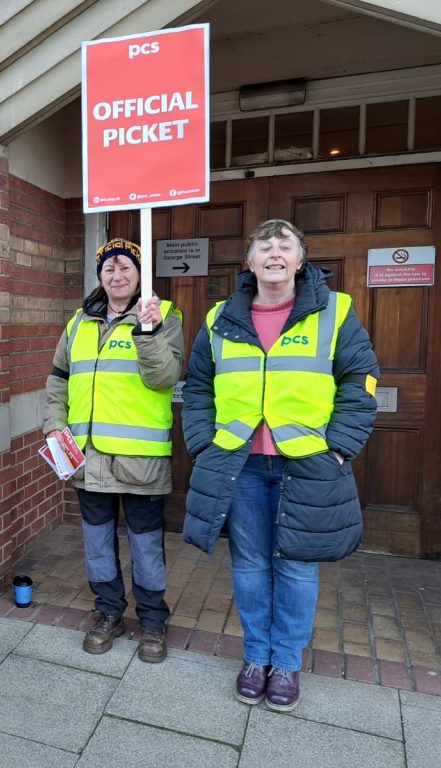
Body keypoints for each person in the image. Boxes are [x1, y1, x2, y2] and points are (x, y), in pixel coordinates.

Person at [181, 219, 379, 712]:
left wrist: (339, 448)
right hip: (241, 464)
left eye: (284, 244)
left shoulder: (336, 311)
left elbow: (362, 381)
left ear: (299, 259)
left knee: (294, 565)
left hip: (307, 463)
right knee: (249, 564)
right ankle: (256, 658)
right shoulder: (219, 318)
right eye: (263, 246)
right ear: (249, 262)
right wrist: (204, 444)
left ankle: (285, 663)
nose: (274, 252)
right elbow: (198, 385)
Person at [44, 238, 183, 663]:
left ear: (140, 275)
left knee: (144, 543)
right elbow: (58, 383)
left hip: (139, 457)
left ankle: (153, 619)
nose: (117, 275)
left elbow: (165, 377)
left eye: (126, 268)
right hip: (86, 456)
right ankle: (107, 611)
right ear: (99, 276)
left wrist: (149, 330)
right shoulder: (78, 323)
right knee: (98, 541)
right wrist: (55, 428)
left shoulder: (165, 318)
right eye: (109, 269)